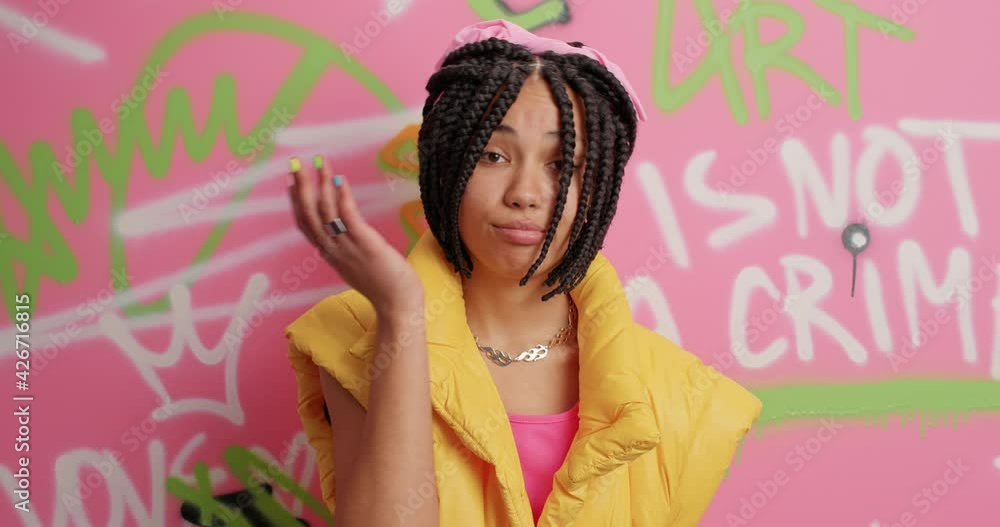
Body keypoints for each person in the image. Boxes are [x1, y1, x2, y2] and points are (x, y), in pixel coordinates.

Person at [284, 19, 762, 527]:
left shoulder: (679, 393)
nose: (525, 193)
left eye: (562, 165)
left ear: (598, 187)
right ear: (444, 165)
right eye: (493, 155)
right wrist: (402, 311)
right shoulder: (355, 337)